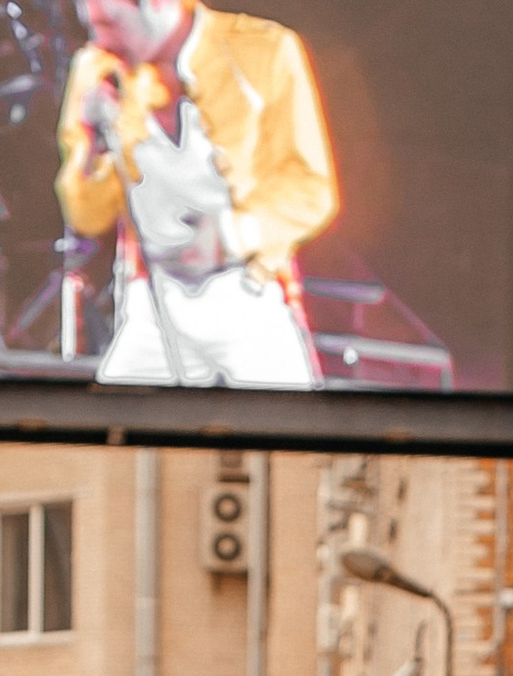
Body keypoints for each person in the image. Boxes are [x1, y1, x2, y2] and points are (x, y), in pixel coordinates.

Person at [57, 0, 335, 391]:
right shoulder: (95, 69)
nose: (102, 42)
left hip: (246, 298)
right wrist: (91, 144)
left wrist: (227, 237)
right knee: (114, 434)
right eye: (93, 27)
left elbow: (311, 189)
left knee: (288, 436)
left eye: (110, 25)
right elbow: (86, 216)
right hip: (153, 301)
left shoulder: (264, 51)